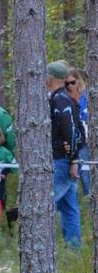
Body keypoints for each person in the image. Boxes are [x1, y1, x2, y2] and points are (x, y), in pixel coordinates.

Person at [48, 62, 83, 249]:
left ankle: (45, 247)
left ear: (51, 78)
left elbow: (70, 130)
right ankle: (73, 251)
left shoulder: (60, 99)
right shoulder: (62, 98)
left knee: (45, 205)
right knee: (69, 209)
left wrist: (73, 160)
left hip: (62, 160)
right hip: (65, 160)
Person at [66, 67, 90, 196]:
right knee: (70, 172)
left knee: (86, 172)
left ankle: (89, 198)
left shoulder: (86, 97)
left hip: (85, 140)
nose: (70, 86)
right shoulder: (63, 97)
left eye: (72, 82)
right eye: (67, 83)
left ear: (78, 81)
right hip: (70, 140)